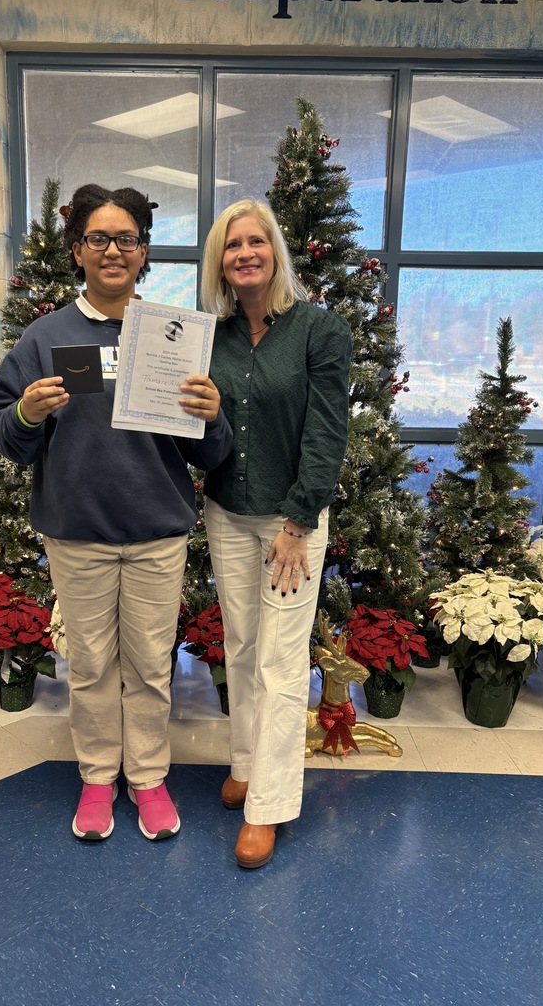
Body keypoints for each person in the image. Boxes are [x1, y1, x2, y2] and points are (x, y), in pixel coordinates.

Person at [0, 184, 232, 842]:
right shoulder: (46, 338)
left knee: (150, 666)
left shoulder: (173, 336)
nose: (113, 250)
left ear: (144, 252)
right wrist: (26, 413)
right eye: (98, 238)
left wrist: (211, 418)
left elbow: (209, 451)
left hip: (156, 533)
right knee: (92, 666)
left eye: (127, 239)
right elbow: (3, 432)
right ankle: (98, 776)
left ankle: (147, 777)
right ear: (77, 251)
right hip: (78, 535)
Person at [200, 198, 351, 869]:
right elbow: (204, 432)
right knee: (240, 647)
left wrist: (297, 521)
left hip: (292, 523)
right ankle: (245, 762)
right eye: (232, 246)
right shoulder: (213, 337)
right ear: (220, 262)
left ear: (275, 251)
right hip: (227, 512)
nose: (245, 254)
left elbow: (326, 435)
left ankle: (268, 803)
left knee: (282, 662)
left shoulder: (319, 330)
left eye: (255, 242)